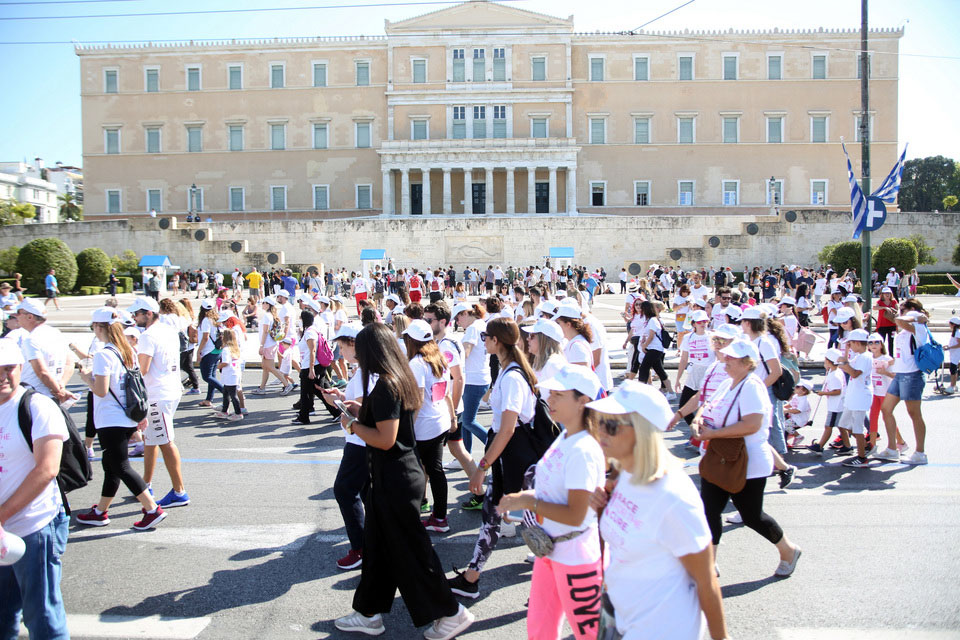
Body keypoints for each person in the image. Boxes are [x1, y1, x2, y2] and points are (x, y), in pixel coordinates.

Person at [333, 324, 474, 639]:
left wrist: (352, 424)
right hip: (395, 476)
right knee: (379, 549)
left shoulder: (386, 384)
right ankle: (367, 612)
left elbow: (385, 438)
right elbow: (387, 419)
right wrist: (356, 409)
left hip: (394, 478)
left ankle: (452, 613)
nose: (355, 354)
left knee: (414, 554)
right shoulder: (399, 378)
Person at [587, 380, 727, 640]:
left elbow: (706, 581)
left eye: (611, 425)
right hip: (622, 617)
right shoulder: (624, 475)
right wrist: (600, 510)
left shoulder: (673, 496)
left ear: (641, 430)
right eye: (599, 422)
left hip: (662, 628)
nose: (600, 433)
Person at [499, 364, 606, 640]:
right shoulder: (565, 434)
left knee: (591, 634)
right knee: (539, 630)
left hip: (575, 556)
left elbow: (575, 514)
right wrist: (524, 500)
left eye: (559, 394)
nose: (549, 398)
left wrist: (527, 501)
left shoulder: (583, 448)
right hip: (551, 550)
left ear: (584, 401)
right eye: (551, 392)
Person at [692, 340, 802, 577]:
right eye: (727, 356)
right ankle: (709, 564)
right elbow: (707, 405)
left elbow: (752, 424)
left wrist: (713, 434)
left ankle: (789, 550)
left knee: (752, 516)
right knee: (709, 510)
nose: (726, 359)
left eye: (732, 358)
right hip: (720, 457)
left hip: (747, 462)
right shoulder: (728, 383)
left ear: (747, 363)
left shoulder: (752, 386)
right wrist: (698, 420)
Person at [448, 318, 539, 599]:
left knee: (537, 524)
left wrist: (481, 468)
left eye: (486, 336)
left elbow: (508, 429)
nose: (483, 340)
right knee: (495, 516)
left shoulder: (512, 376)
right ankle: (471, 577)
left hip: (517, 460)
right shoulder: (508, 370)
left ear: (497, 341)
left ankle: (557, 584)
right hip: (513, 459)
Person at [0, 338, 71, 640]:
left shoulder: (36, 407)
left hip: (33, 527)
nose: (3, 376)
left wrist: (1, 517)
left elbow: (46, 469)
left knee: (42, 616)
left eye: (9, 368)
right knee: (2, 614)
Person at [75, 308, 167, 529]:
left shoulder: (104, 354)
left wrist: (86, 378)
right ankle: (100, 511)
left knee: (121, 466)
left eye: (93, 327)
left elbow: (101, 390)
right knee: (111, 465)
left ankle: (152, 509)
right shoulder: (127, 351)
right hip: (127, 415)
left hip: (110, 418)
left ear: (99, 327)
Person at [128, 296, 191, 508]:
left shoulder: (148, 336)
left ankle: (179, 491)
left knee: (164, 440)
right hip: (170, 388)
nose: (133, 318)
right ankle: (145, 484)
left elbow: (142, 370)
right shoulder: (168, 330)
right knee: (151, 439)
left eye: (136, 314)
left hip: (157, 393)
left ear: (147, 313)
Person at [402, 319, 455, 532]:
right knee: (435, 471)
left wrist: (407, 429)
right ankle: (440, 517)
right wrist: (452, 418)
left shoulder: (417, 363)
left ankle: (412, 517)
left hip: (424, 426)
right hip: (440, 420)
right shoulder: (438, 358)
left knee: (414, 473)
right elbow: (446, 391)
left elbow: (417, 399)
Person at [874, 300, 930, 465]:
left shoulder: (919, 327)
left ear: (912, 310)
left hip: (912, 375)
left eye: (903, 309)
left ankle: (920, 452)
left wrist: (917, 316)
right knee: (886, 409)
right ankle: (893, 448)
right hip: (900, 374)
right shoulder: (909, 326)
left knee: (914, 414)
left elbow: (898, 321)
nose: (900, 311)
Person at [15, 299, 76, 406]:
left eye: (19, 313)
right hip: (53, 394)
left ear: (30, 317)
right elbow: (69, 363)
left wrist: (58, 391)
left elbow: (42, 372)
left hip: (34, 396)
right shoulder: (56, 332)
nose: (16, 316)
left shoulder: (31, 339)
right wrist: (61, 386)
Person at [454, 303, 491, 477]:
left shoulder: (472, 329)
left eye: (458, 317)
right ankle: (464, 456)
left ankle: (494, 447)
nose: (457, 322)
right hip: (480, 377)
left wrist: (449, 365)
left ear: (465, 314)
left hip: (473, 379)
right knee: (465, 421)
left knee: (467, 421)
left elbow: (465, 353)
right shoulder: (481, 324)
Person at [196, 300, 224, 408]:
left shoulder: (205, 320)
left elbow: (205, 337)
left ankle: (225, 391)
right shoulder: (216, 318)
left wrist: (199, 351)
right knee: (212, 375)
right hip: (217, 349)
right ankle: (208, 399)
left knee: (206, 376)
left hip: (208, 350)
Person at [214, 327, 244, 421]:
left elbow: (225, 362)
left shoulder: (226, 350)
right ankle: (224, 411)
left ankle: (238, 413)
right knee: (226, 394)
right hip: (234, 374)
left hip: (229, 375)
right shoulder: (235, 348)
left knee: (232, 395)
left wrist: (218, 366)